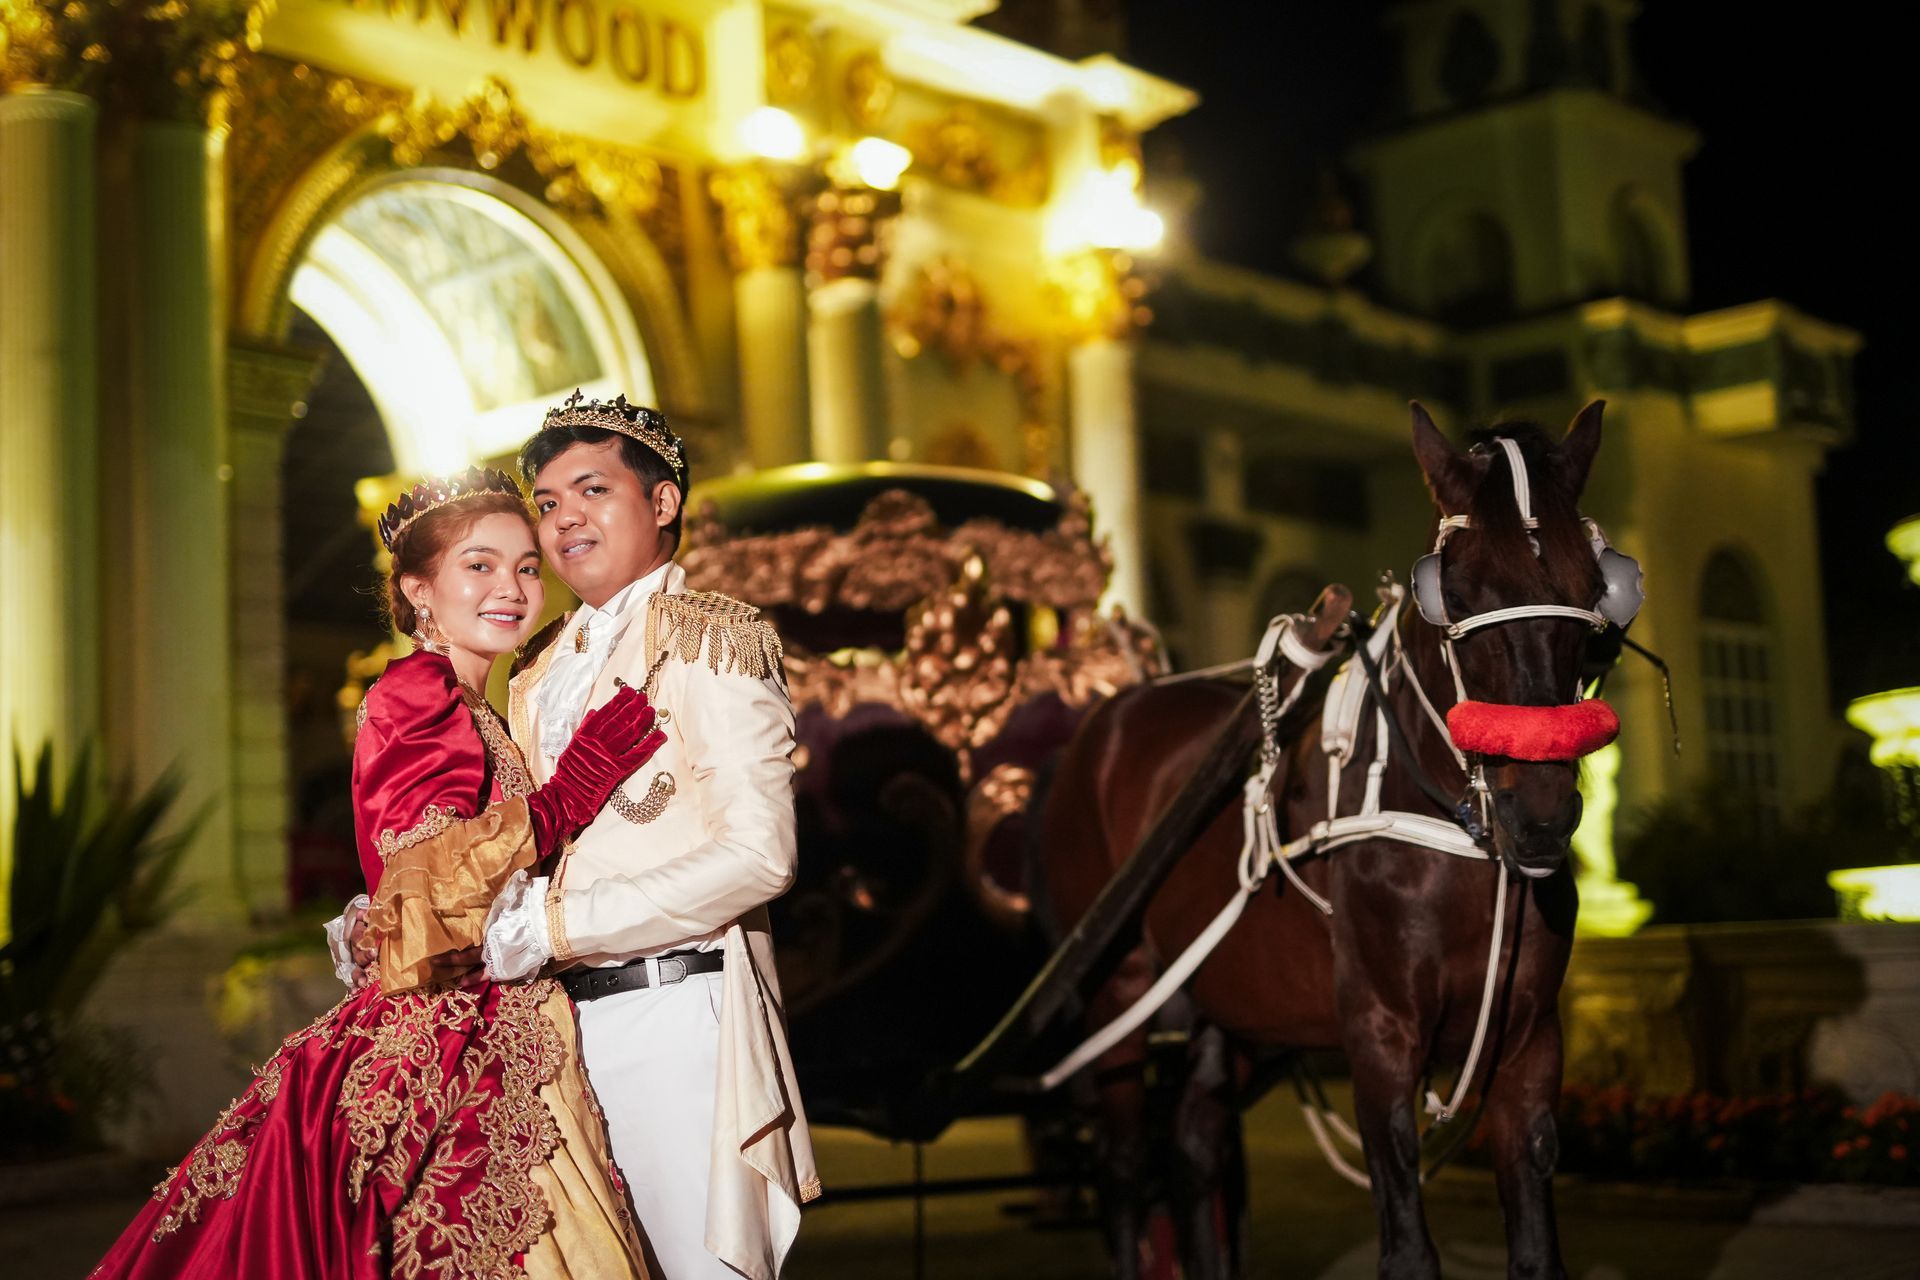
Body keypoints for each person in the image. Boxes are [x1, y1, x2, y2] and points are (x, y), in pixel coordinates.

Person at [93, 467, 660, 1280]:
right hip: (450, 1031)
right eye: (480, 565)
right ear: (418, 590)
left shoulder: (478, 705)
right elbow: (430, 879)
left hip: (497, 1015)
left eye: (527, 567)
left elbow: (400, 878)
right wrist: (565, 796)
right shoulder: (418, 691)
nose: (511, 587)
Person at [481, 391, 819, 1280]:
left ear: (662, 502)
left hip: (672, 1014)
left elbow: (761, 854)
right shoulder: (536, 666)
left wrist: (558, 928)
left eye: (593, 490)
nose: (564, 519)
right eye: (547, 503)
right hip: (557, 1031)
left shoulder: (713, 637)